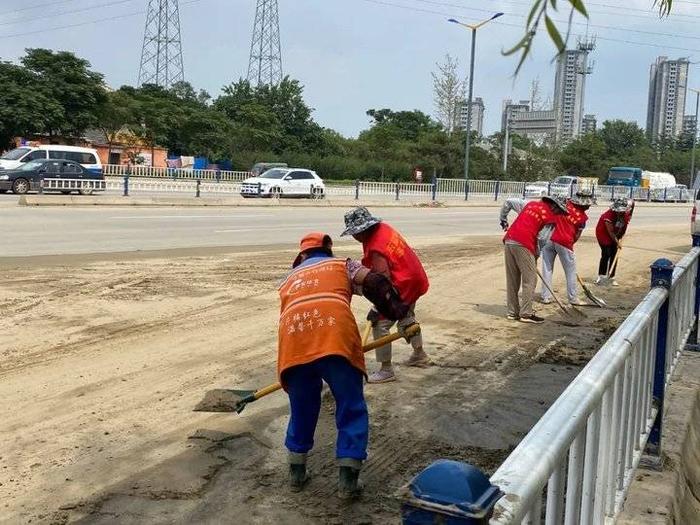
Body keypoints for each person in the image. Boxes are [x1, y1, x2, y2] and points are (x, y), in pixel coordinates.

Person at [278, 232, 411, 498]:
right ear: (327, 251)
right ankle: (347, 483)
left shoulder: (289, 279)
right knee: (350, 405)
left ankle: (296, 473)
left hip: (294, 345)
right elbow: (373, 281)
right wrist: (398, 310)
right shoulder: (341, 265)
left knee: (301, 407)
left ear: (302, 256)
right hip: (335, 340)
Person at [341, 207, 430, 384]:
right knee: (405, 315)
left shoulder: (375, 247)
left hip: (402, 283)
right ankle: (419, 354)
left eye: (355, 233)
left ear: (362, 230)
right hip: (414, 277)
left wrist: (377, 307)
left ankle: (386, 369)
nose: (354, 237)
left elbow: (383, 283)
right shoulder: (384, 229)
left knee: (380, 324)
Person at [503, 196, 569, 323]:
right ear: (554, 206)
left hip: (509, 240)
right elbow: (542, 239)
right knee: (530, 279)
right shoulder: (550, 218)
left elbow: (509, 202)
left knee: (512, 278)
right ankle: (526, 313)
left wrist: (503, 219)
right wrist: (535, 255)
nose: (559, 214)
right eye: (560, 211)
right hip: (524, 243)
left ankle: (512, 312)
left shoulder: (530, 204)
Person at [540, 191, 596, 305]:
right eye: (588, 204)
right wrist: (570, 245)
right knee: (571, 272)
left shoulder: (564, 203)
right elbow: (576, 236)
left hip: (549, 238)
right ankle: (573, 298)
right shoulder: (582, 218)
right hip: (564, 242)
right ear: (583, 204)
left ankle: (546, 296)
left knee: (547, 268)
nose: (589, 206)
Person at [595, 198, 632, 286]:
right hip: (603, 234)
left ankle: (612, 277)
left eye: (622, 211)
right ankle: (601, 276)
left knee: (614, 254)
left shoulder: (625, 215)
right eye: (619, 211)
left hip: (616, 233)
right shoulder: (607, 216)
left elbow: (624, 227)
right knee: (606, 253)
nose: (620, 213)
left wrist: (621, 237)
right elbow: (610, 232)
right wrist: (617, 242)